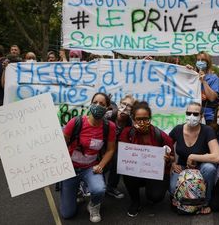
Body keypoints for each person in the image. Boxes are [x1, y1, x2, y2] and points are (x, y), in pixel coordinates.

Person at [60, 92, 116, 223]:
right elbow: (61, 144)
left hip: (90, 168)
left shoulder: (109, 127)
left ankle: (93, 205)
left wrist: (101, 165)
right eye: (95, 102)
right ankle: (77, 190)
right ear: (90, 104)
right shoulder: (76, 122)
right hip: (70, 169)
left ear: (107, 108)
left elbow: (110, 149)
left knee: (99, 189)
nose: (97, 105)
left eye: (102, 104)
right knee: (67, 214)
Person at [118, 101, 174, 217]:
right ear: (133, 119)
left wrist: (168, 159)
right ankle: (135, 201)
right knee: (127, 171)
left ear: (150, 118)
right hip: (135, 172)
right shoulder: (127, 133)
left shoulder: (160, 135)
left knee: (156, 197)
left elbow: (172, 157)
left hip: (155, 173)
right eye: (138, 119)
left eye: (145, 118)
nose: (142, 122)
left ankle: (151, 192)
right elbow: (123, 155)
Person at [169, 102, 219, 214]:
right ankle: (182, 202)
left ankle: (205, 202)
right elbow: (166, 148)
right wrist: (172, 163)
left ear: (202, 116)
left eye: (195, 114)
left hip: (201, 168)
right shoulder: (177, 129)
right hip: (182, 168)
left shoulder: (208, 130)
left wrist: (193, 156)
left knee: (210, 169)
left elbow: (217, 157)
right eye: (188, 113)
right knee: (173, 188)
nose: (191, 116)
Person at [105, 95, 137, 199]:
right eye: (124, 104)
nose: (125, 108)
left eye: (129, 107)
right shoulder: (108, 115)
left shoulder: (130, 123)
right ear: (119, 104)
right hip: (102, 143)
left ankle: (111, 187)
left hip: (115, 146)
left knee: (118, 159)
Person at [187, 51, 219, 125]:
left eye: (203, 60)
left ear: (208, 62)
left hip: (208, 116)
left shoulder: (214, 78)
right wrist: (186, 71)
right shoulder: (192, 75)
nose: (200, 62)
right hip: (191, 114)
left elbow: (212, 98)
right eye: (198, 60)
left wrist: (204, 82)